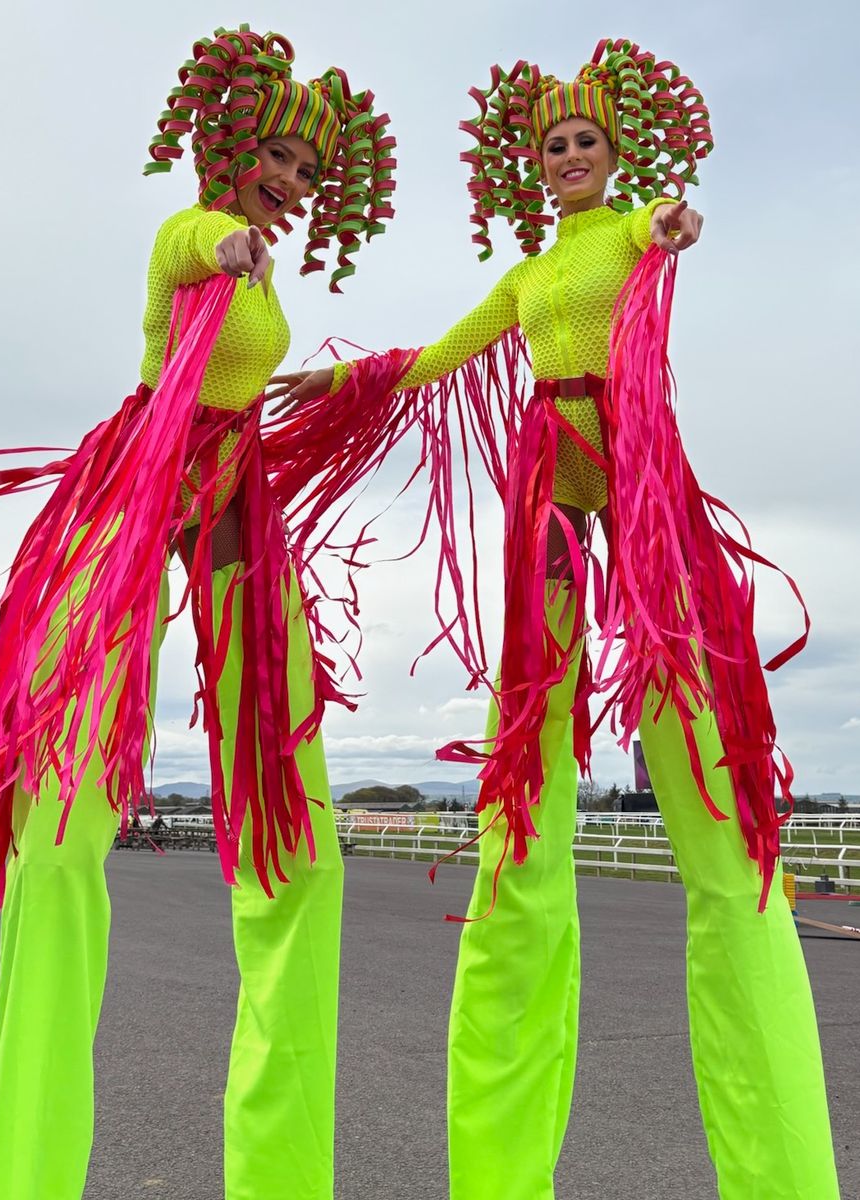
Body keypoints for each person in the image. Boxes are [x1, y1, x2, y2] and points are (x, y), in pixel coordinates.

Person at [270, 38, 840, 1200]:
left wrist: (674, 224)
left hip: (629, 456)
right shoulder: (530, 276)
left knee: (680, 640)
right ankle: (541, 752)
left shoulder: (629, 231)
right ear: (534, 168)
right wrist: (351, 380)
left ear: (612, 152)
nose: (568, 159)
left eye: (583, 143)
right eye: (552, 148)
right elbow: (448, 352)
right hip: (549, 467)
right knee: (539, 678)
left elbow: (668, 227)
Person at [0, 26, 396, 1200]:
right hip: (141, 483)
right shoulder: (197, 238)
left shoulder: (265, 278)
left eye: (312, 174)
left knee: (298, 840)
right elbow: (194, 241)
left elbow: (247, 365)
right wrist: (227, 241)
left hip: (232, 507)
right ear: (233, 144)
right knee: (62, 824)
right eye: (282, 161)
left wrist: (349, 380)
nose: (296, 187)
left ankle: (284, 1171)